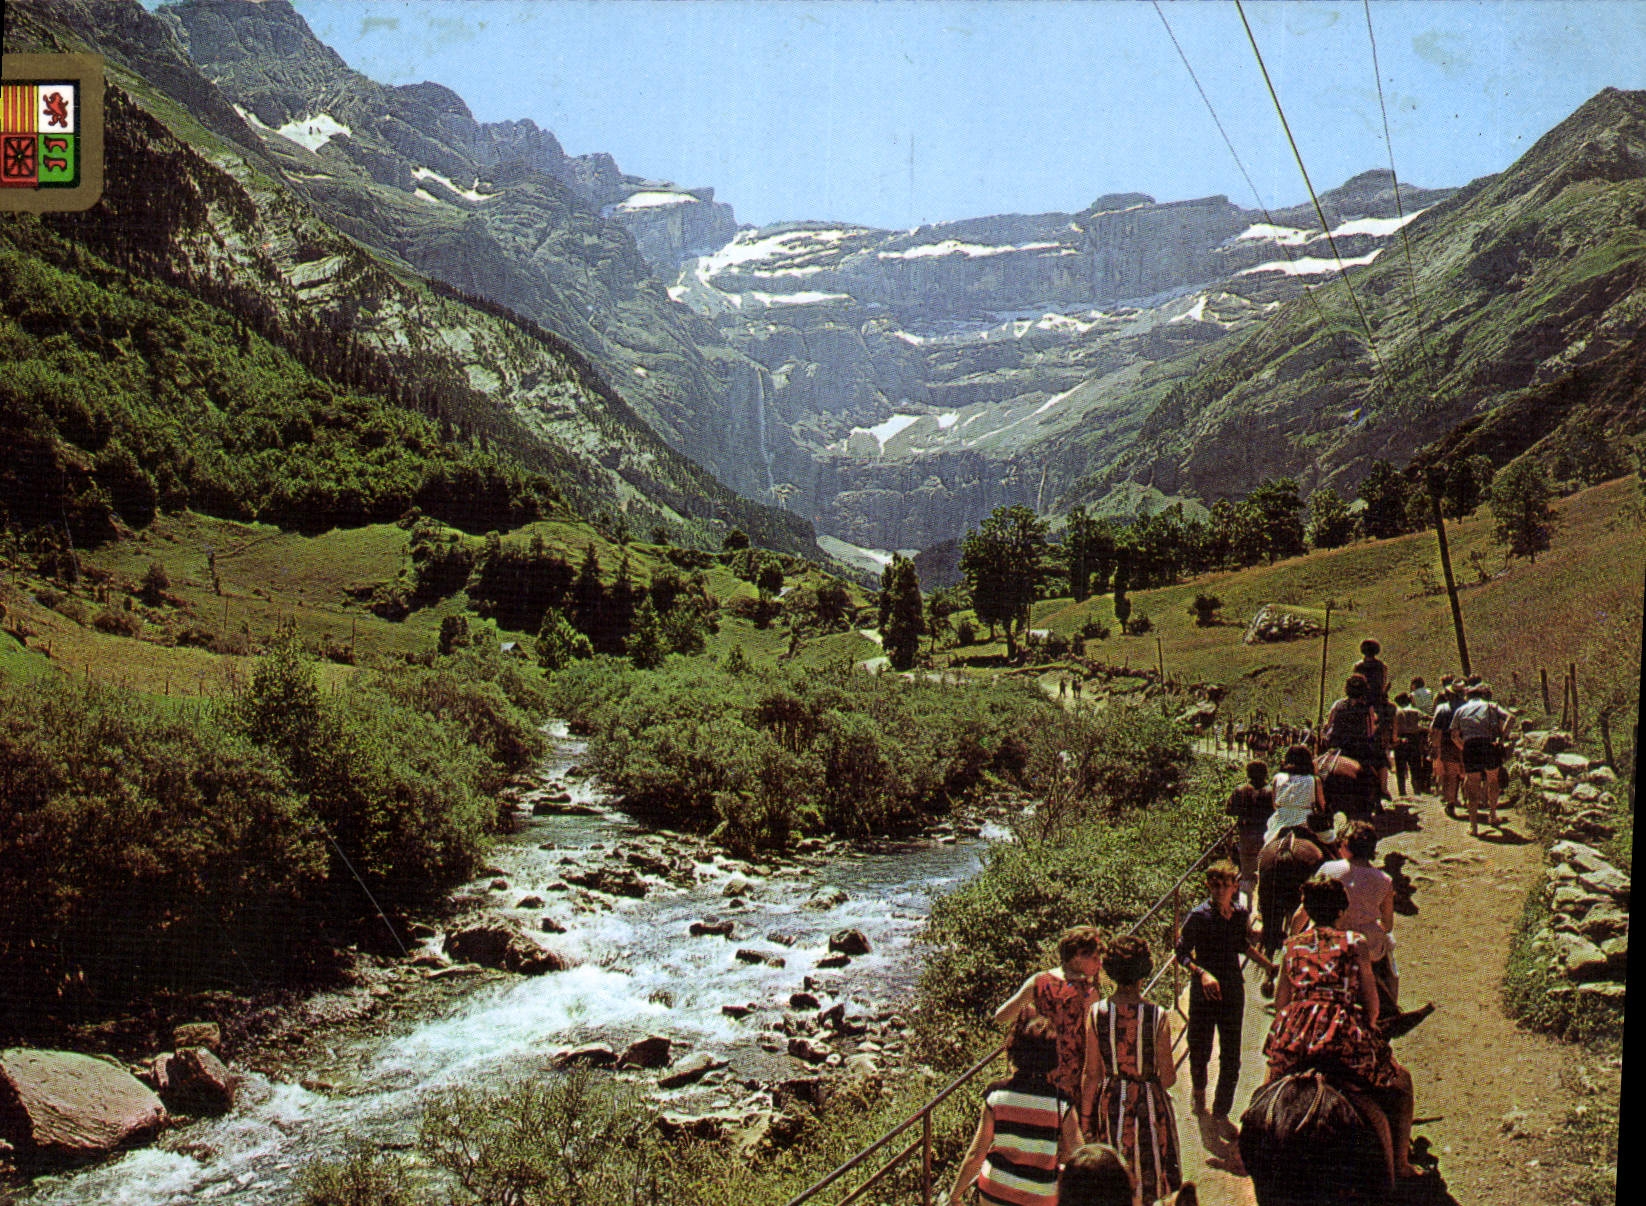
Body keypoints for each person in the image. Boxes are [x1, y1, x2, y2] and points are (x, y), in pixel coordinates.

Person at [1264, 876, 1422, 1183]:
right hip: (1340, 1033)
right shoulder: (1354, 943)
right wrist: (1369, 1026)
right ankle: (1400, 1164)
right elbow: (1373, 1005)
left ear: (1307, 910)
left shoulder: (1291, 947)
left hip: (1295, 1034)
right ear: (1341, 911)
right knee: (1401, 1085)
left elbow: (1281, 1004)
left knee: (1266, 1087)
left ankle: (1250, 1150)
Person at [1175, 860, 1276, 1136]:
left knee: (1231, 1056)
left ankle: (1221, 1112)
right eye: (1214, 885)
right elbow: (1181, 952)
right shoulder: (1198, 916)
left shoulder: (1240, 913)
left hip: (1232, 988)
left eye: (1225, 885)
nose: (1219, 890)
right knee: (1200, 1047)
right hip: (1204, 990)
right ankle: (1198, 1094)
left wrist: (1267, 965)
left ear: (1234, 887)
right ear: (1208, 886)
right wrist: (1201, 973)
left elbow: (1240, 944)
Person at [1081, 935, 1181, 1206]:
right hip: (1149, 1103)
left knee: (1114, 1179)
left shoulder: (1095, 1013)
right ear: (1144, 971)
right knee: (1155, 1173)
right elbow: (1169, 1077)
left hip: (1111, 1104)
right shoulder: (1157, 1015)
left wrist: (1086, 1121)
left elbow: (1091, 1075)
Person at [949, 1015, 1083, 1206]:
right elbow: (1080, 1158)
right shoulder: (1061, 1104)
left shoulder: (996, 1095)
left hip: (994, 1193)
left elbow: (976, 1155)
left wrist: (955, 1194)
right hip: (1039, 1198)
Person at [996, 926, 1105, 1112]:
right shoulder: (1088, 994)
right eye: (1095, 958)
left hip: (1037, 1071)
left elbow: (1001, 1016)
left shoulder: (1038, 981)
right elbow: (1093, 1045)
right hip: (1072, 1079)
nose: (1099, 964)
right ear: (1078, 957)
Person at [1310, 821, 1402, 1014]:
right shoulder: (1384, 880)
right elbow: (1387, 924)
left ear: (1347, 846)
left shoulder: (1328, 869)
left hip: (1331, 937)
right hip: (1367, 944)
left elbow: (1305, 910)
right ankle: (1390, 1007)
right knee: (1391, 966)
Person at [1452, 683, 1513, 837]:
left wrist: (1463, 747)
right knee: (1493, 781)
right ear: (1482, 695)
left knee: (1472, 785)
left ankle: (1474, 827)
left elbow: (1454, 735)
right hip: (1488, 744)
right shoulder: (1491, 706)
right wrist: (1502, 737)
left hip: (1470, 746)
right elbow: (1511, 717)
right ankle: (1492, 814)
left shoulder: (1460, 710)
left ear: (1467, 697)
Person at [1324, 673, 1385, 803]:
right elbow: (1369, 733)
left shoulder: (1337, 705)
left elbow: (1329, 727)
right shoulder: (1367, 708)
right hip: (1359, 748)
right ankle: (1380, 794)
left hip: (1338, 747)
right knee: (1379, 762)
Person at [1225, 761, 1273, 904]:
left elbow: (1229, 810)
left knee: (1246, 877)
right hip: (1266, 838)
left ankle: (1246, 909)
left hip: (1247, 838)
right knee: (1265, 873)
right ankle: (1261, 906)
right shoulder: (1271, 791)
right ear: (1265, 774)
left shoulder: (1240, 790)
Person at [1265, 745, 1325, 843]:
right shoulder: (1314, 780)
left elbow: (1274, 805)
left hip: (1280, 821)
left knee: (1264, 850)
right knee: (1329, 844)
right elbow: (1322, 806)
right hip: (1305, 821)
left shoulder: (1277, 777)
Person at [1429, 678, 1466, 814]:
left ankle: (1451, 802)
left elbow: (1436, 730)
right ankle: (1471, 799)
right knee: (1465, 773)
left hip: (1448, 745)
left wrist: (1435, 749)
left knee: (1451, 775)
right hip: (1465, 743)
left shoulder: (1442, 708)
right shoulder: (1468, 707)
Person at [1391, 692, 1428, 798]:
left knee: (1400, 767)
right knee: (1415, 766)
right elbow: (1425, 723)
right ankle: (1417, 790)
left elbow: (1395, 727)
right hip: (1414, 739)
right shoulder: (1417, 711)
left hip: (1401, 740)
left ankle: (1402, 791)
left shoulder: (1397, 712)